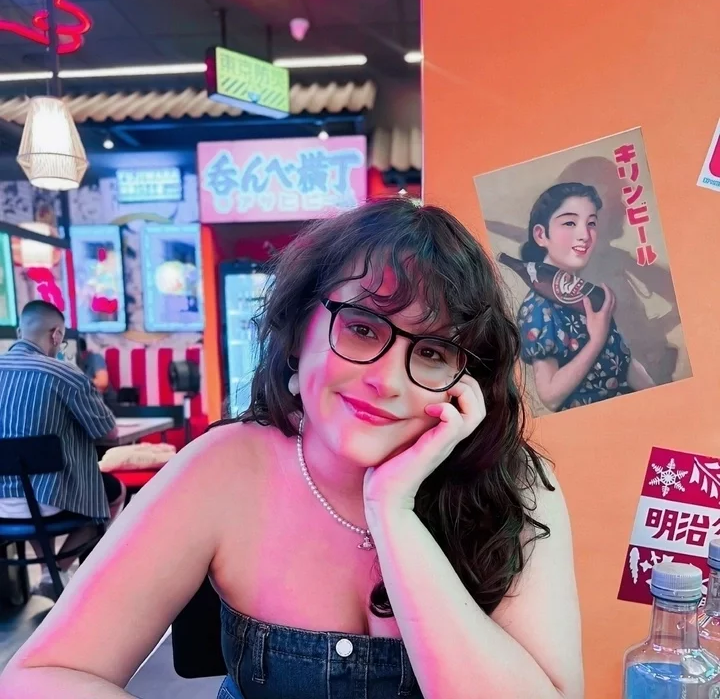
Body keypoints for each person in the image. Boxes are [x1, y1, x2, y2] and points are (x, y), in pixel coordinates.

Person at [0, 201, 583, 699]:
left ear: (466, 379)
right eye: (362, 328)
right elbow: (40, 676)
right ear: (298, 330)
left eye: (432, 352)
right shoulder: (226, 468)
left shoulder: (515, 485)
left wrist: (393, 512)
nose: (387, 380)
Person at [0, 301, 125, 598]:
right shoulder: (64, 374)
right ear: (56, 335)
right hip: (45, 502)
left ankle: (49, 574)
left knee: (30, 486)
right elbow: (109, 434)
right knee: (113, 492)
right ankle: (55, 570)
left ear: (19, 332)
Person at [518, 182, 655, 412]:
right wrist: (596, 341)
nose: (584, 235)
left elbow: (625, 364)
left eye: (591, 223)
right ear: (541, 235)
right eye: (570, 223)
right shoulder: (539, 308)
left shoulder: (588, 293)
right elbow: (550, 397)